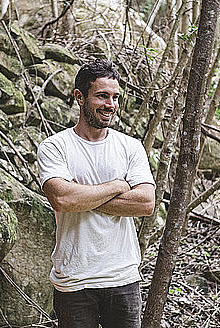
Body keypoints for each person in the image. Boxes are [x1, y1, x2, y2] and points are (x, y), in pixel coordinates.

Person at [37, 60, 156, 328]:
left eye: (115, 97)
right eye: (102, 96)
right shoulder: (55, 147)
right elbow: (63, 199)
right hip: (74, 279)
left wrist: (83, 196)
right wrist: (117, 185)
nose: (110, 104)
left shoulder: (130, 147)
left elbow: (146, 202)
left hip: (122, 278)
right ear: (79, 97)